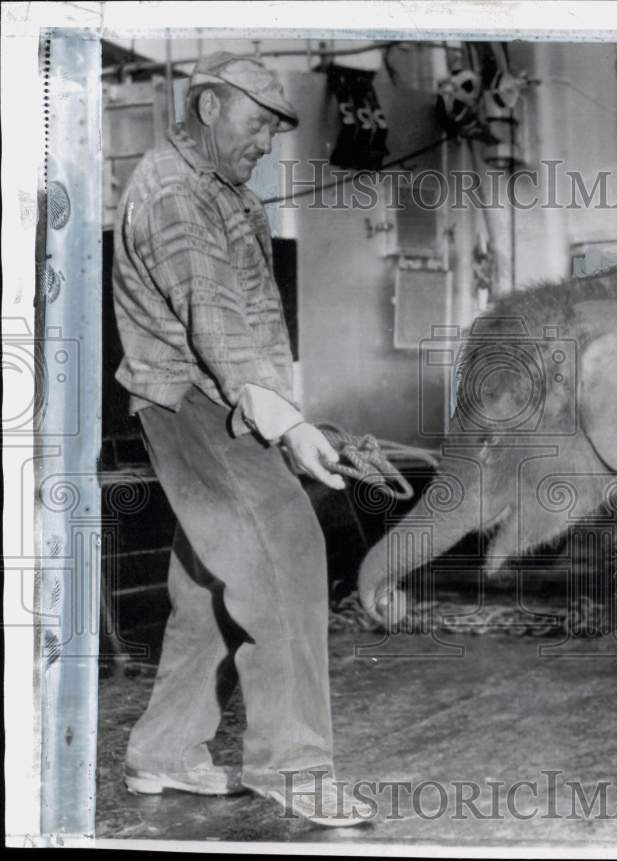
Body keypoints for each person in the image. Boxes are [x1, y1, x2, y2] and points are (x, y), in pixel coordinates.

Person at [112, 51, 372, 827]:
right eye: (257, 123)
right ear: (209, 106)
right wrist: (286, 426)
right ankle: (293, 764)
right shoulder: (172, 193)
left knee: (210, 583)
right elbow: (213, 319)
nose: (266, 141)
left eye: (274, 129)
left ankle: (162, 750)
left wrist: (290, 413)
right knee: (288, 550)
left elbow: (254, 325)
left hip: (224, 400)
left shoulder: (225, 193)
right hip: (191, 401)